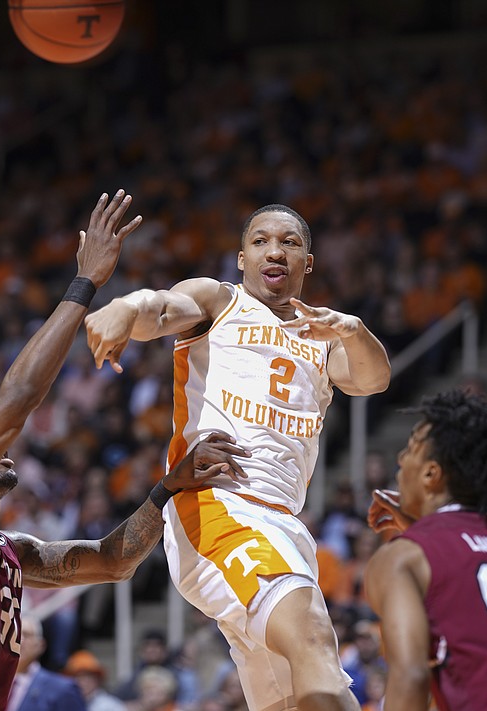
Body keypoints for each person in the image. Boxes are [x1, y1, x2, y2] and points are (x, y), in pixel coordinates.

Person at [0, 190, 249, 711]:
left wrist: (169, 488)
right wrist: (86, 283)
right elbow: (18, 400)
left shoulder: (8, 551)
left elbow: (113, 562)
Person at [85, 203, 391, 711]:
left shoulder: (322, 335)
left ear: (307, 263)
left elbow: (374, 379)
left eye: (290, 242)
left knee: (297, 696)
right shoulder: (219, 300)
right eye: (262, 241)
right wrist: (125, 305)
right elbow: (160, 309)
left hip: (284, 523)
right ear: (242, 257)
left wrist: (353, 329)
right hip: (216, 505)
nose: (275, 250)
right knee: (314, 636)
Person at [364, 389, 487, 710]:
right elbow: (465, 566)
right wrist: (424, 526)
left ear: (430, 474)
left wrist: (421, 536)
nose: (399, 459)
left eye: (410, 449)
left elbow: (410, 676)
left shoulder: (401, 558)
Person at [6, 614, 87, 711]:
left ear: (40, 645)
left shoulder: (63, 689)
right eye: (14, 634)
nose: (19, 641)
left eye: (26, 635)